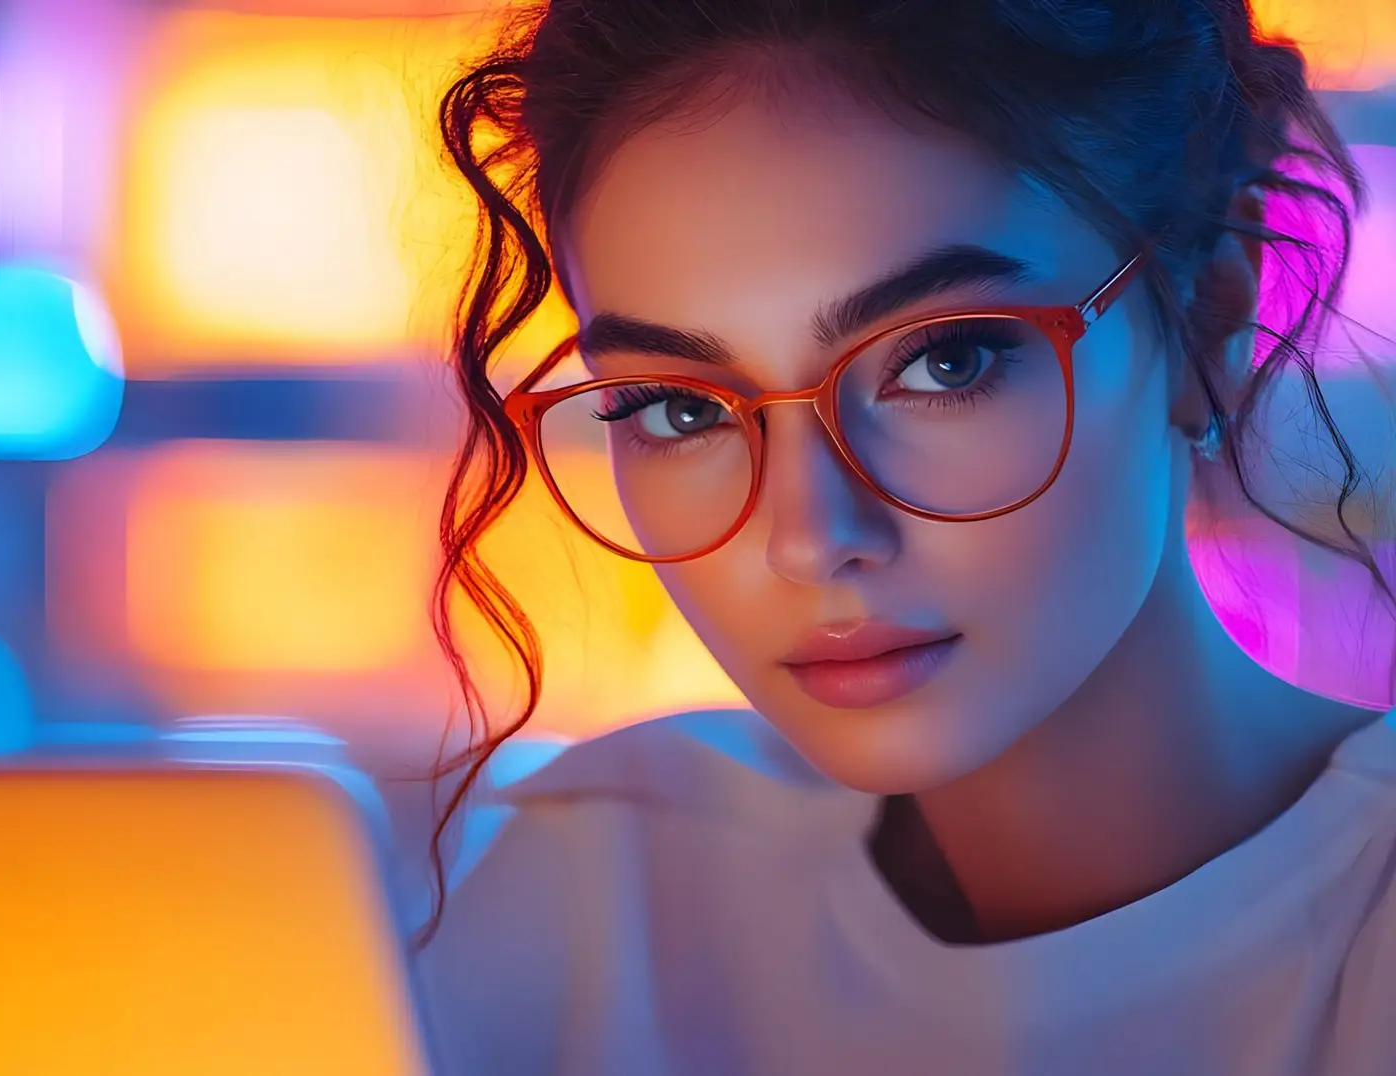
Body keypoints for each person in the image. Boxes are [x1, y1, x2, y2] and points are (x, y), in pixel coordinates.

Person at [412, 1, 1396, 1073]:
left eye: (946, 360)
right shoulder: (610, 893)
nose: (809, 537)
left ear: (1210, 307)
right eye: (679, 407)